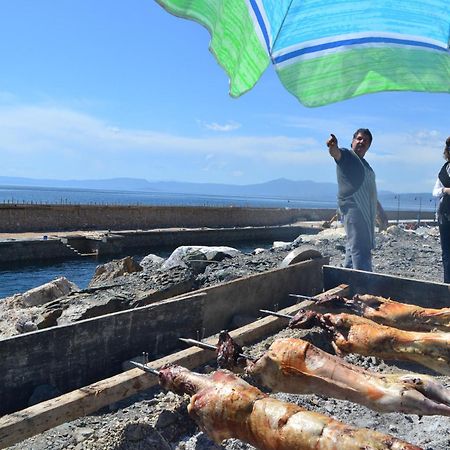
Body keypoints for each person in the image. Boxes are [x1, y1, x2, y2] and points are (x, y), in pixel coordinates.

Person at [326, 129, 387, 272]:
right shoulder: (348, 156)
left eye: (366, 141)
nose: (362, 142)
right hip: (354, 209)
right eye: (359, 138)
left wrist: (380, 210)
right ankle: (363, 286)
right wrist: (332, 146)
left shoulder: (366, 165)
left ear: (369, 146)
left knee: (352, 249)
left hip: (366, 213)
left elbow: (370, 191)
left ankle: (346, 281)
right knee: (361, 251)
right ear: (353, 141)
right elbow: (336, 154)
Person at [432, 136, 450, 283]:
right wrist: (445, 190)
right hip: (445, 216)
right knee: (447, 253)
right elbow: (435, 191)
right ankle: (447, 285)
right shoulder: (444, 169)